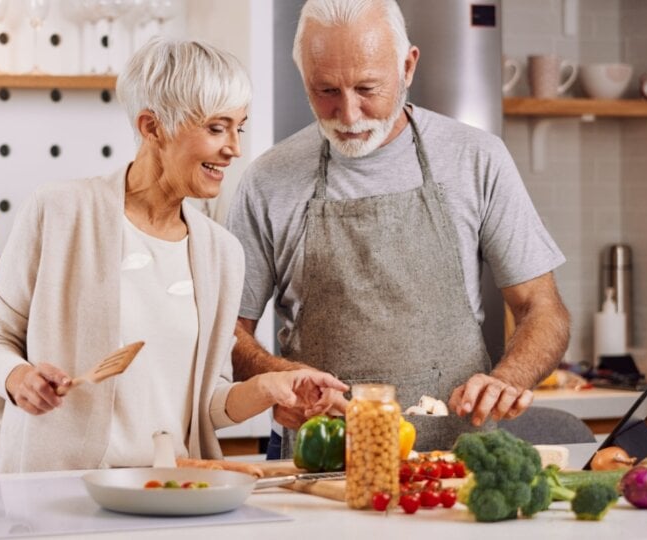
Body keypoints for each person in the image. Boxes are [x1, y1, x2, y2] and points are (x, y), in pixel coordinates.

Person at [0, 37, 347, 473]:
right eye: (215, 128)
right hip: (57, 495)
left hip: (170, 495)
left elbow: (208, 404)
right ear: (152, 128)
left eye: (238, 128)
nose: (234, 148)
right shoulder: (59, 212)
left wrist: (270, 387)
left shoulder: (220, 253)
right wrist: (18, 379)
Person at [226, 0, 570, 455]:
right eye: (325, 90)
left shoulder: (477, 159)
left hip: (457, 463)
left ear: (407, 67)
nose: (348, 115)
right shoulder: (267, 180)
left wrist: (508, 379)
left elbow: (543, 309)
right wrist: (274, 379)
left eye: (367, 88)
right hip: (325, 461)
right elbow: (226, 331)